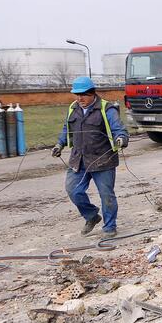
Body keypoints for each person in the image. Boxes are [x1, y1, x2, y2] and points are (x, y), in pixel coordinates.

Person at [52, 76, 129, 238]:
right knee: (73, 190)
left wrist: (121, 139)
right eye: (77, 95)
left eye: (84, 95)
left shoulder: (106, 109)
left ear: (93, 93)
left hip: (103, 160)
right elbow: (67, 128)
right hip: (78, 160)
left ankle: (109, 227)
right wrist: (59, 144)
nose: (80, 98)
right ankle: (92, 216)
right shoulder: (73, 108)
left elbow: (119, 130)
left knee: (106, 195)